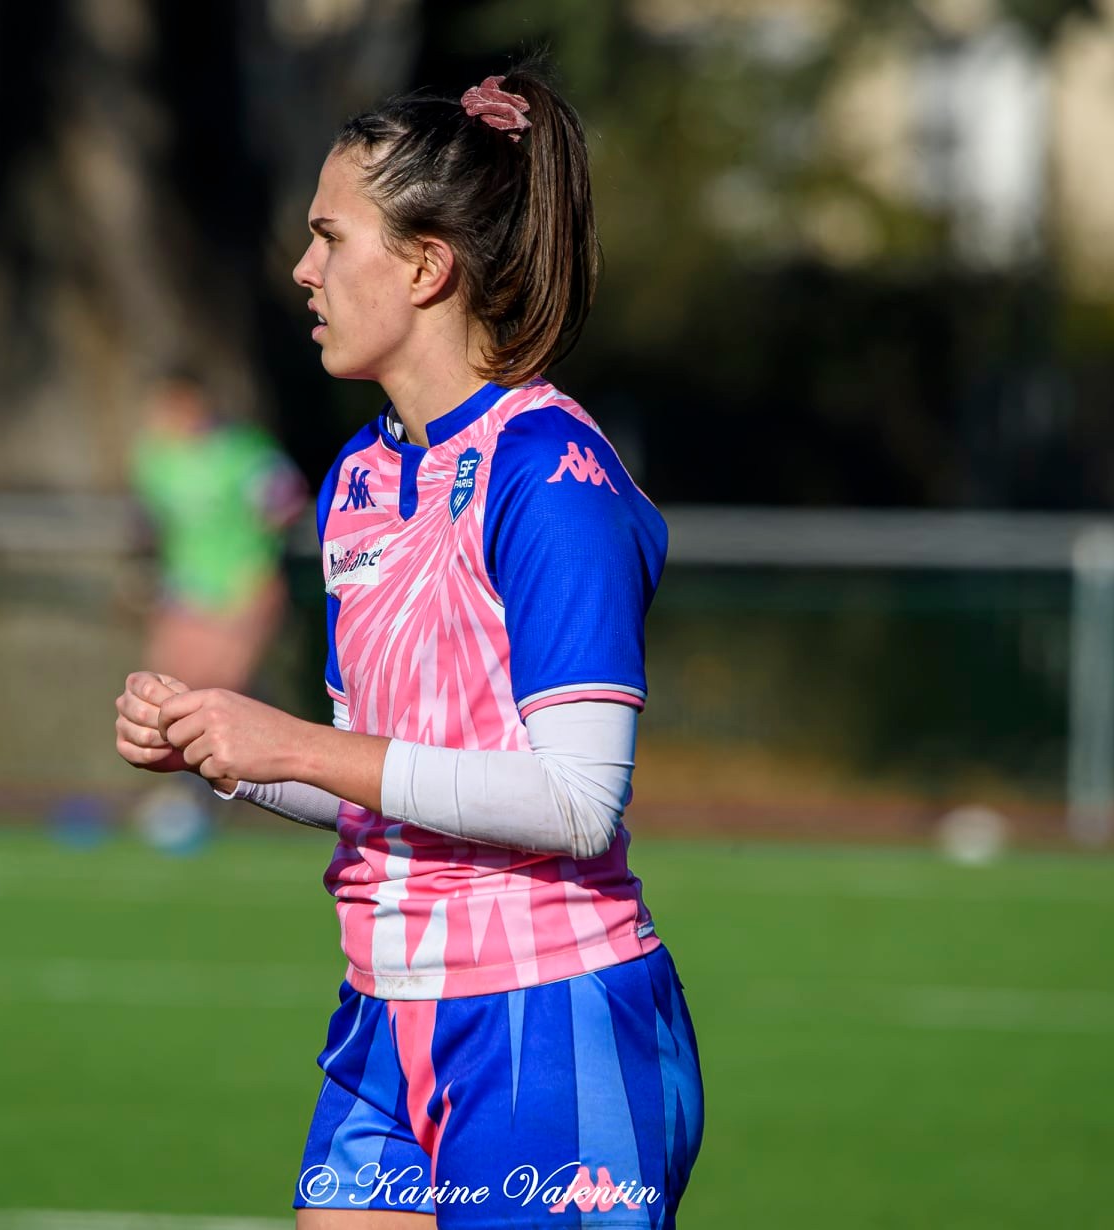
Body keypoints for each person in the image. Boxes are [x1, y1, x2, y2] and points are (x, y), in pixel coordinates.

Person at [114, 63, 703, 1227]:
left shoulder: (553, 475)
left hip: (552, 1020)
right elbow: (378, 784)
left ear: (429, 266)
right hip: (385, 1016)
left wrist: (298, 745)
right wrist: (229, 752)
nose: (303, 270)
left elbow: (579, 802)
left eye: (332, 238)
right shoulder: (357, 481)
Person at [126, 369, 306, 852]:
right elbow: (151, 523)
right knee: (172, 697)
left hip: (239, 590)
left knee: (220, 691)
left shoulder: (241, 452)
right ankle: (191, 795)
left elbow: (285, 503)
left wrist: (259, 565)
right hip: (184, 595)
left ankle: (207, 799)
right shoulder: (154, 458)